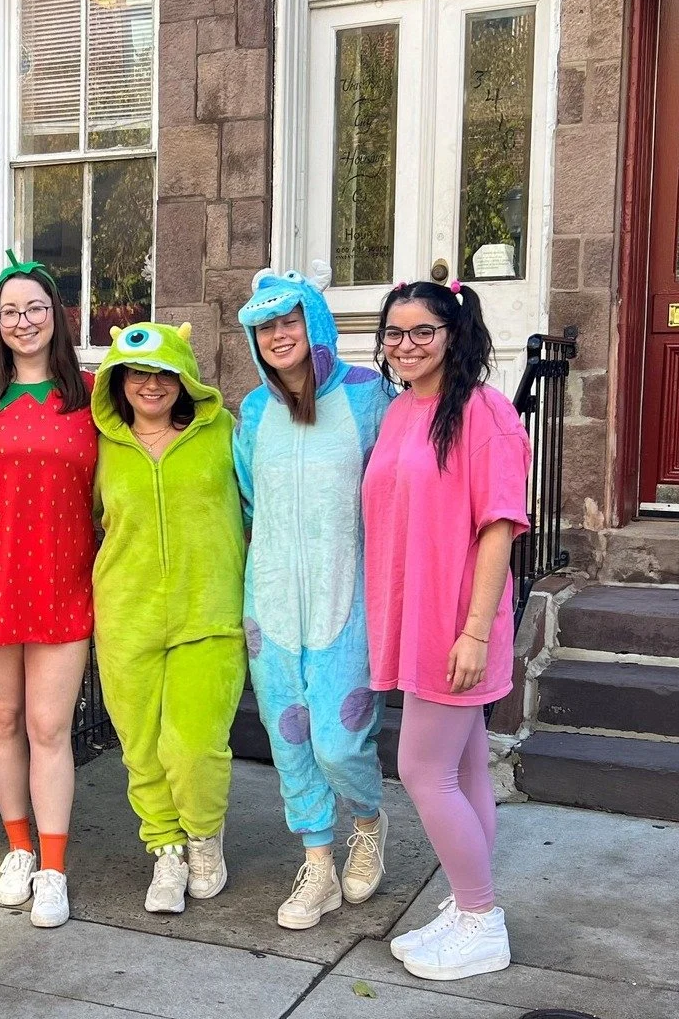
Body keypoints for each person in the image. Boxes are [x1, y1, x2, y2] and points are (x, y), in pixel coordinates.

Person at [363, 279, 531, 981]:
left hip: (454, 622)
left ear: (453, 334)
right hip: (412, 614)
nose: (405, 345)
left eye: (421, 332)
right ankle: (466, 908)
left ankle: (481, 917)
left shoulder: (483, 413)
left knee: (420, 770)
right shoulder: (403, 410)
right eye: (394, 333)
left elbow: (499, 528)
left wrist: (470, 631)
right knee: (462, 772)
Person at [234, 266, 393, 930]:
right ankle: (318, 862)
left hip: (345, 597)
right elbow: (247, 500)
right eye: (265, 325)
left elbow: (392, 490)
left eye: (288, 320)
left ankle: (367, 820)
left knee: (337, 738)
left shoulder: (367, 396)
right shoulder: (252, 410)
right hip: (270, 601)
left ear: (314, 322)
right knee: (288, 733)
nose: (277, 334)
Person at [0, 252, 96, 929]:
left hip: (63, 580)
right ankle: (16, 847)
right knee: (2, 722)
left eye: (35, 307)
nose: (23, 320)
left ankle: (54, 868)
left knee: (48, 726)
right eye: (10, 310)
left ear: (56, 317)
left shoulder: (93, 396)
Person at [92, 321, 245, 914]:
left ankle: (204, 836)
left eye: (164, 373)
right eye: (137, 373)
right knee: (142, 747)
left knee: (195, 744)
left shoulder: (223, 432)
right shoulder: (100, 445)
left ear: (185, 379)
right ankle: (166, 849)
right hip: (126, 615)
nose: (151, 385)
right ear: (118, 379)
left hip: (208, 611)